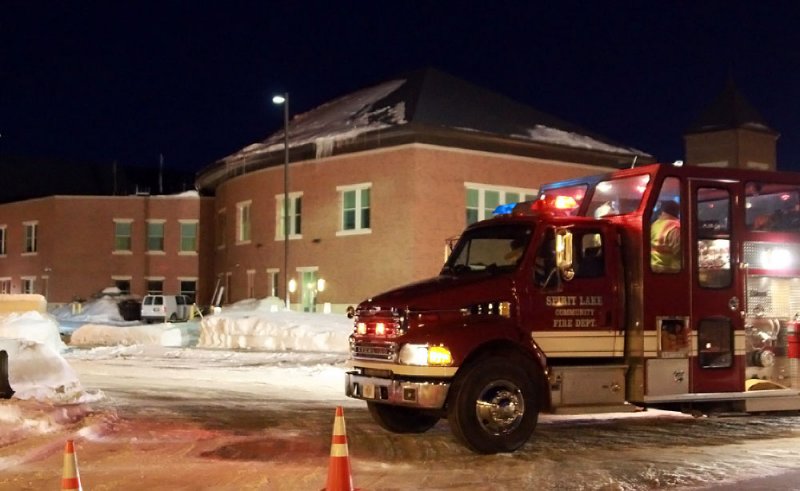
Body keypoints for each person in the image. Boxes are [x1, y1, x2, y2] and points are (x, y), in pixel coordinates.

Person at [651, 200, 681, 272]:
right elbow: (681, 253)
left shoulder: (654, 224)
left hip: (653, 267)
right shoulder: (675, 227)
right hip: (669, 270)